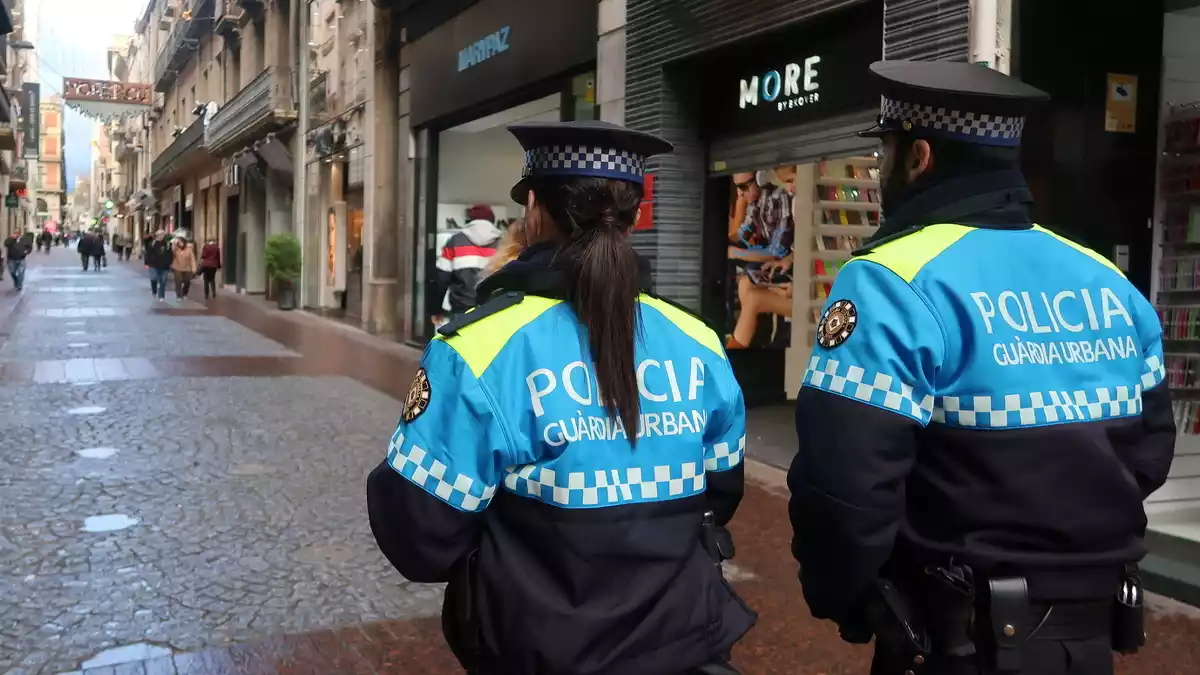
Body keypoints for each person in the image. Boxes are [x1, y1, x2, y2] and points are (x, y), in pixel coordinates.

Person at [788, 60, 1174, 675]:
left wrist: (851, 600)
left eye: (882, 153)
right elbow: (1148, 452)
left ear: (918, 157)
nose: (876, 171)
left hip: (960, 640)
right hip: (1087, 639)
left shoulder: (892, 278)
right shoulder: (1105, 278)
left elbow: (846, 482)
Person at [367, 121, 755, 675]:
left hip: (536, 649)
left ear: (534, 211)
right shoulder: (698, 339)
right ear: (634, 218)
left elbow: (419, 535)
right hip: (683, 643)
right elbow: (720, 493)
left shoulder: (478, 347)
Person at [433, 203, 502, 324]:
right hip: (493, 309)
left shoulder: (455, 241)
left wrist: (436, 309)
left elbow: (441, 278)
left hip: (461, 309)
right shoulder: (502, 243)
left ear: (470, 220)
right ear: (492, 220)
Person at [145, 229, 173, 302]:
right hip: (153, 265)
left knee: (163, 281)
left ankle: (161, 296)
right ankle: (154, 291)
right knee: (154, 279)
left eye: (163, 235)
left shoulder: (167, 244)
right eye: (160, 235)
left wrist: (170, 262)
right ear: (157, 235)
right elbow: (148, 254)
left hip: (164, 266)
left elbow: (170, 254)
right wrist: (146, 263)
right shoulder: (152, 243)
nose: (162, 236)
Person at [171, 235, 197, 301]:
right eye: (179, 243)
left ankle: (185, 293)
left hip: (187, 268)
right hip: (177, 268)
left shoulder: (189, 249)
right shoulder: (175, 249)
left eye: (182, 242)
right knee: (178, 281)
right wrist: (174, 243)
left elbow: (192, 259)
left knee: (187, 282)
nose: (181, 244)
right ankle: (178, 295)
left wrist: (194, 268)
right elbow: (172, 250)